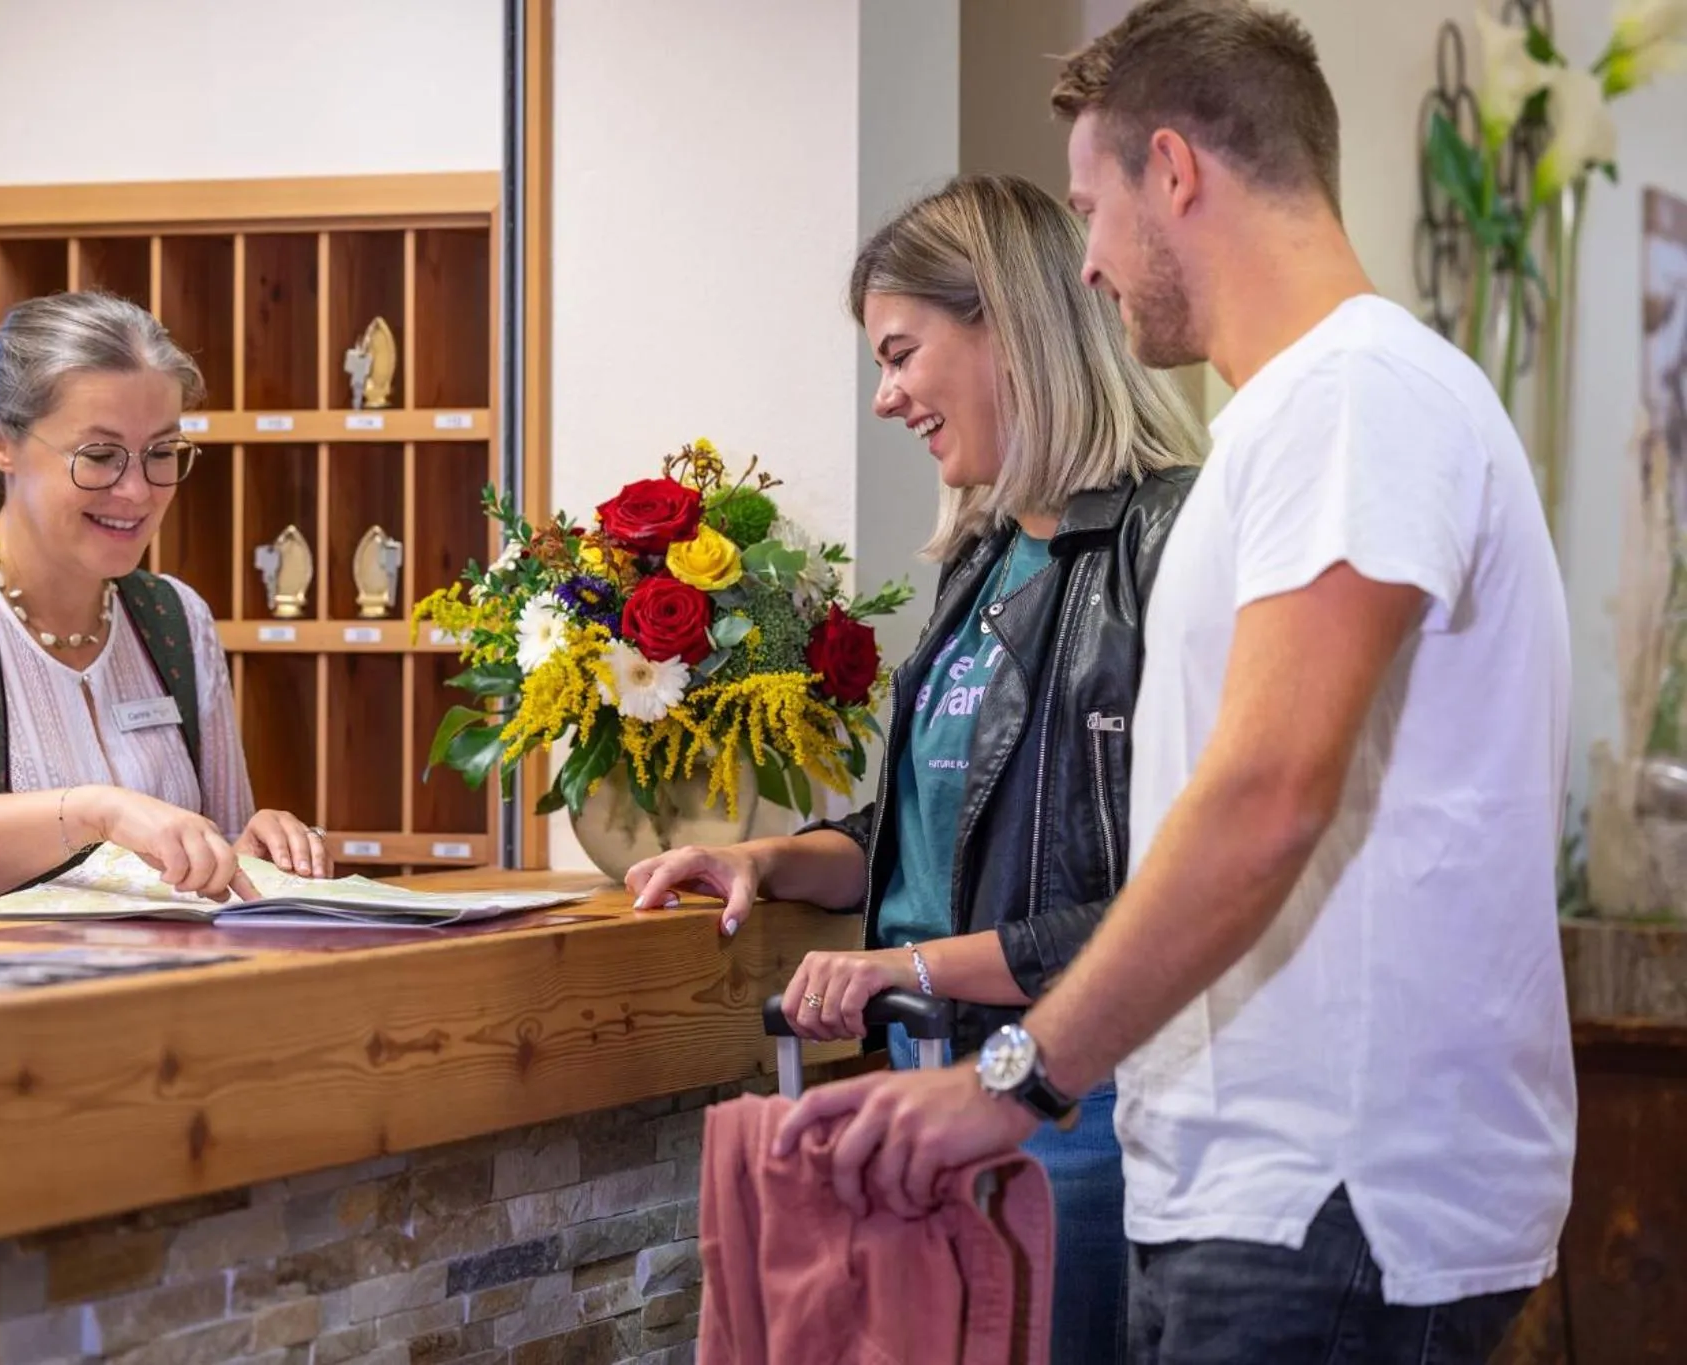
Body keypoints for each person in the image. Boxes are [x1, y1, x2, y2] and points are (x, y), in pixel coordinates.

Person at [772, 4, 1576, 1363]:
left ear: (1176, 172)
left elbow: (1266, 795)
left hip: (1329, 1202)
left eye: (1090, 208)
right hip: (1256, 1196)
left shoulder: (1353, 400)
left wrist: (1016, 1078)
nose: (1084, 262)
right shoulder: (1291, 423)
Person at [626, 173, 1205, 1364]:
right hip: (929, 1090)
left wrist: (911, 963)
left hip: (1072, 1110)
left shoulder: (1167, 542)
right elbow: (936, 821)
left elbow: (1170, 898)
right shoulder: (984, 558)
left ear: (1007, 323)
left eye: (900, 354)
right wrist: (761, 858)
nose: (886, 398)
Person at [0, 291, 330, 917]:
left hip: (140, 1004)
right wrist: (93, 813)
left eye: (162, 453)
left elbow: (213, 857)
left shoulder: (177, 618)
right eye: (99, 456)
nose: (137, 491)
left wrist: (245, 855)